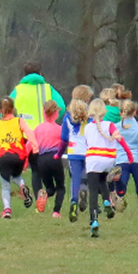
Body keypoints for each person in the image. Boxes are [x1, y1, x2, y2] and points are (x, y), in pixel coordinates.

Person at [9, 61, 66, 204]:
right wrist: (52, 121)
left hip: (26, 136)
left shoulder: (18, 90)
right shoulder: (47, 89)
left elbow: (8, 110)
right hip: (45, 135)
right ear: (40, 73)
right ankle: (49, 191)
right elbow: (62, 107)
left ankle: (39, 197)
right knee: (48, 167)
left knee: (35, 170)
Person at [84, 99, 134, 237]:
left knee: (93, 191)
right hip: (108, 159)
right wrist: (129, 155)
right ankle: (106, 200)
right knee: (103, 181)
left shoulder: (88, 128)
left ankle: (94, 221)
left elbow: (87, 143)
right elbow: (121, 140)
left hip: (93, 160)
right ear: (104, 111)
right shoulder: (110, 125)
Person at [0, 97, 38, 218]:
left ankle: (7, 210)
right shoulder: (19, 121)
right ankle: (22, 186)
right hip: (19, 157)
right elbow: (29, 133)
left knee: (5, 185)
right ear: (13, 109)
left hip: (5, 157)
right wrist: (35, 147)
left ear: (0, 110)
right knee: (16, 175)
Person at [56, 85, 93, 223]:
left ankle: (73, 202)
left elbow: (64, 138)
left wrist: (59, 153)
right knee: (86, 176)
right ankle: (84, 190)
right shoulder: (90, 116)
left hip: (73, 152)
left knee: (75, 178)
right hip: (88, 151)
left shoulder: (67, 116)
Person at [113, 100, 138, 218]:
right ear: (135, 112)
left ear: (121, 112)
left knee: (122, 188)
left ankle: (118, 187)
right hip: (136, 160)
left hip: (121, 160)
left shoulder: (116, 127)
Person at [33, 100, 65, 218]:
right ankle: (56, 211)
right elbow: (65, 142)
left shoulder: (38, 129)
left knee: (50, 187)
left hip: (41, 159)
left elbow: (30, 145)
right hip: (54, 158)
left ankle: (44, 193)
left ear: (44, 113)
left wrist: (26, 161)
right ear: (56, 113)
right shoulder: (59, 129)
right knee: (60, 186)